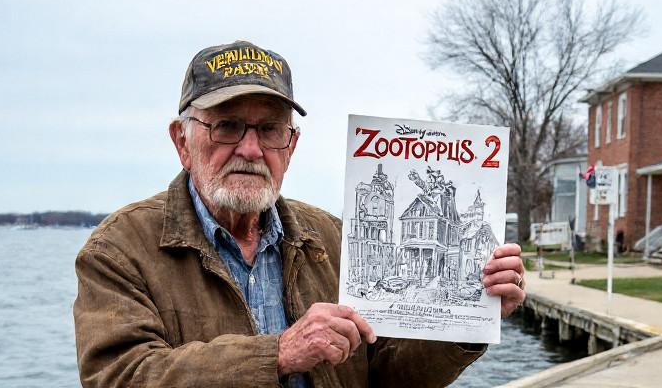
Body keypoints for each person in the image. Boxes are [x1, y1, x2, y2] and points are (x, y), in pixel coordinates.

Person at [73, 40, 526, 388]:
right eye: (226, 125)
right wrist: (279, 354)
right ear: (181, 141)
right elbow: (121, 376)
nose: (250, 149)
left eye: (270, 129)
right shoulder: (118, 249)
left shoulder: (331, 236)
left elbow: (388, 376)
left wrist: (469, 319)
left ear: (290, 146)